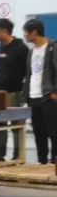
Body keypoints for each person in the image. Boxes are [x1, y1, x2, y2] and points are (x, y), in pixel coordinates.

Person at [0, 18, 29, 162]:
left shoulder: (21, 48)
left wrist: (23, 92)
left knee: (16, 124)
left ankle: (17, 155)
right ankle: (0, 155)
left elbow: (26, 71)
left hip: (14, 91)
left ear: (4, 31)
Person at [22, 19, 57, 165]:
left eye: (26, 32)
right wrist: (26, 95)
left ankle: (54, 162)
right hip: (33, 96)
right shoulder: (31, 51)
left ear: (34, 32)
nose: (24, 35)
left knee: (53, 131)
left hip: (49, 96)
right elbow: (29, 74)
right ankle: (42, 161)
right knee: (38, 132)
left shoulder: (52, 47)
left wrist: (55, 91)